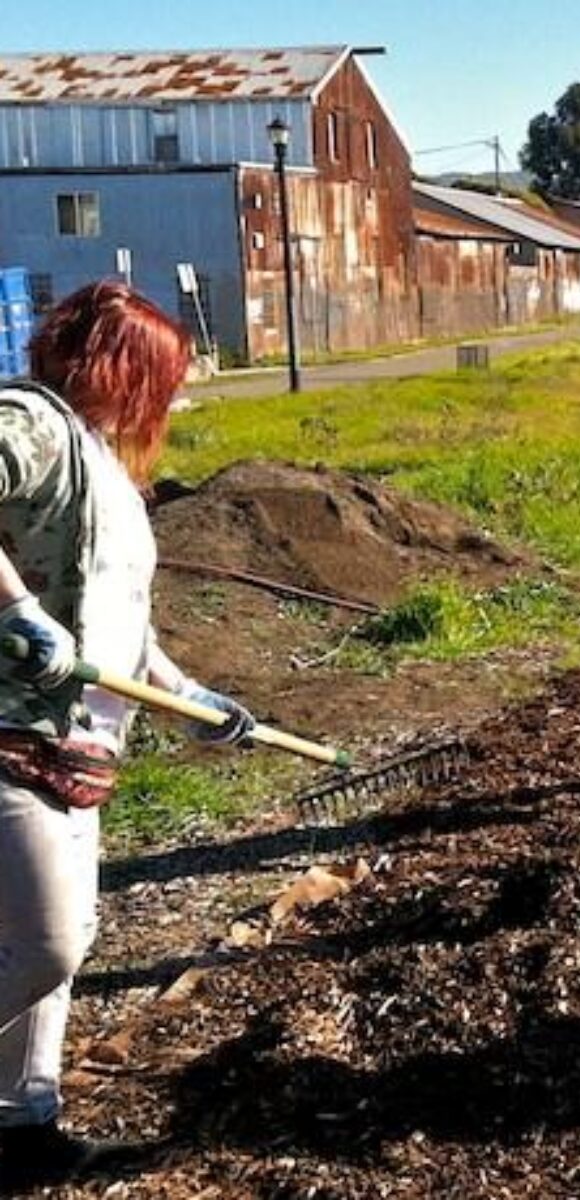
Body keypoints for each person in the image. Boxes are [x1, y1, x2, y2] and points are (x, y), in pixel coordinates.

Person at [0, 282, 256, 1183]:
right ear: (114, 365)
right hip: (13, 733)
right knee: (46, 943)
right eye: (161, 376)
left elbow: (122, 628)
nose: (169, 400)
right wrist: (19, 612)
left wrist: (196, 700)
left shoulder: (105, 463)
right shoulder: (32, 423)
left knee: (57, 958)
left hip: (80, 748)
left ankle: (22, 1127)